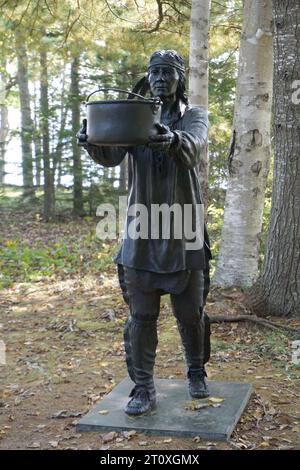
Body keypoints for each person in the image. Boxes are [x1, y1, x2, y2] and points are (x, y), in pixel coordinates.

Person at [77, 50, 212, 416]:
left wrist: (172, 140)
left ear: (180, 79)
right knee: (141, 315)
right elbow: (112, 154)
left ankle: (197, 371)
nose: (159, 79)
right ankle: (142, 387)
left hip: (183, 225)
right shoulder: (137, 114)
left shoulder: (193, 116)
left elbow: (194, 147)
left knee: (190, 312)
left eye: (167, 73)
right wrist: (92, 139)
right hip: (142, 227)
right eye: (154, 73)